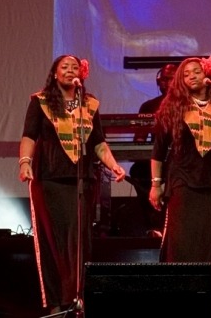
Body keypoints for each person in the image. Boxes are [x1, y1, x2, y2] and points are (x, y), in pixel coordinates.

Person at [17, 54, 127, 313]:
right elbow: (29, 136)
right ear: (55, 74)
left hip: (82, 182)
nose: (69, 70)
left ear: (82, 74)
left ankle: (77, 299)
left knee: (79, 242)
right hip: (50, 180)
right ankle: (56, 303)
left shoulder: (89, 105)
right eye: (63, 67)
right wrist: (24, 162)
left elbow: (99, 143)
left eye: (74, 67)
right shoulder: (41, 102)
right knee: (54, 241)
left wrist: (114, 165)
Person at [149, 56, 211, 264]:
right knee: (182, 239)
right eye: (186, 74)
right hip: (183, 182)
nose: (192, 77)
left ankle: (207, 288)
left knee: (209, 240)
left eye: (196, 71)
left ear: (207, 74)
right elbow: (158, 151)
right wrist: (156, 185)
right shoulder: (173, 107)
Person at [127, 62, 177, 235]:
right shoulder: (149, 106)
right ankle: (155, 225)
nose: (167, 83)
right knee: (138, 171)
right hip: (157, 159)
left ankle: (171, 226)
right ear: (158, 82)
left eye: (171, 79)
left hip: (180, 161)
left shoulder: (189, 104)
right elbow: (140, 139)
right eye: (164, 79)